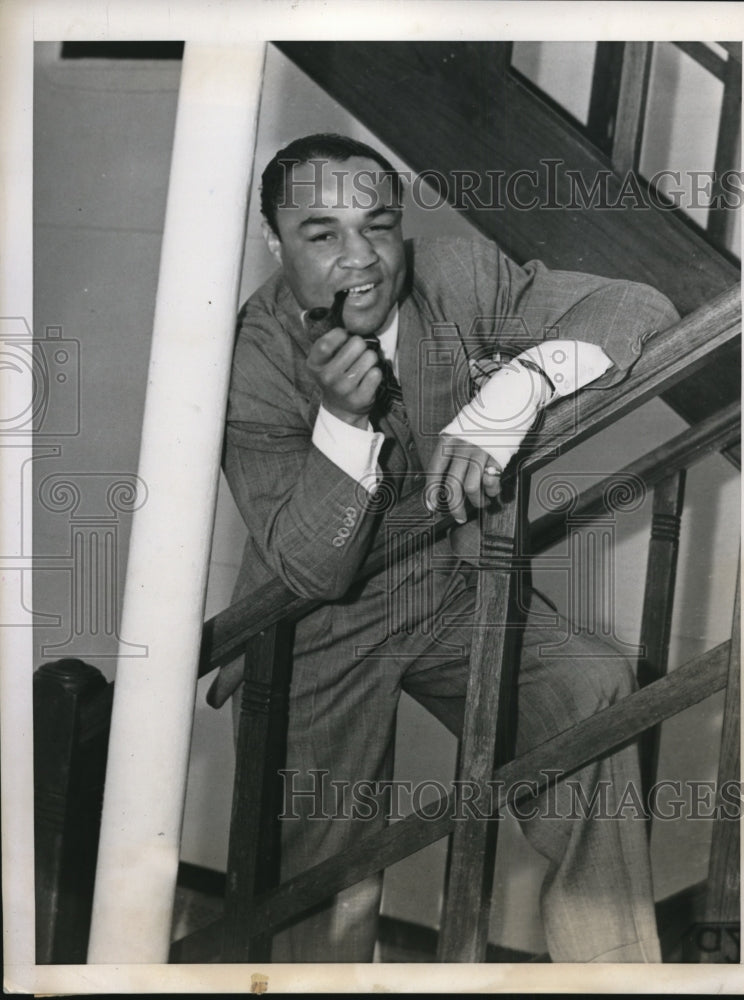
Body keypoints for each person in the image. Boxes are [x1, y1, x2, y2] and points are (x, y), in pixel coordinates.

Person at [209, 133, 680, 963]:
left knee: (589, 684)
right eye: (321, 235)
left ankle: (615, 972)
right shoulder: (250, 354)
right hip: (317, 628)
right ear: (276, 243)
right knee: (322, 890)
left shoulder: (456, 276)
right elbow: (311, 567)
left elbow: (636, 304)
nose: (362, 261)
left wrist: (520, 386)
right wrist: (344, 425)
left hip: (454, 591)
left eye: (379, 226)